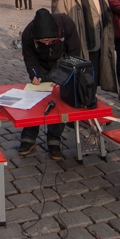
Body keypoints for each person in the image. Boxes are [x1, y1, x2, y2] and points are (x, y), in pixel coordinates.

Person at [19, 9, 81, 160]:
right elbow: (30, 58)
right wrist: (35, 75)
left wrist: (62, 77)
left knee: (59, 102)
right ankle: (29, 137)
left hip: (62, 63)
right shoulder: (28, 33)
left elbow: (73, 54)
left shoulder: (67, 24)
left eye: (49, 40)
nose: (46, 43)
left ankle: (54, 139)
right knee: (36, 99)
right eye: (42, 42)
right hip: (41, 65)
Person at [54, 0, 118, 96]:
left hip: (98, 39)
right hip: (79, 42)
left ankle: (90, 101)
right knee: (79, 79)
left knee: (93, 75)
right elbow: (59, 20)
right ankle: (80, 106)